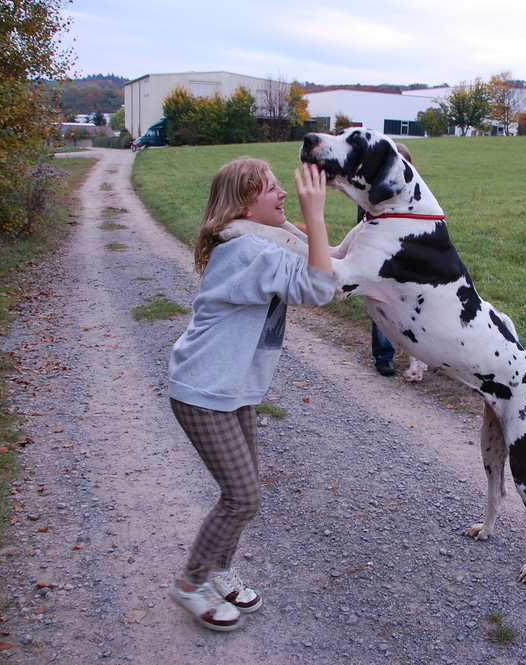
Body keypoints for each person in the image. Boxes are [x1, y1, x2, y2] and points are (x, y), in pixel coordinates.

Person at [166, 158, 334, 631]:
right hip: (203, 390)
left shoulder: (255, 243)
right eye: (272, 189)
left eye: (283, 187)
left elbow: (320, 264)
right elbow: (320, 287)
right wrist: (315, 217)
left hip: (232, 389)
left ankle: (218, 569)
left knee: (243, 490)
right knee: (243, 497)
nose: (282, 195)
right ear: (245, 203)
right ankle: (191, 582)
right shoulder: (245, 253)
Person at [360, 142, 414, 377]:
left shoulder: (415, 192)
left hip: (407, 258)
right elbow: (363, 225)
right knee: (382, 304)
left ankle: (417, 356)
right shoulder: (372, 194)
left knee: (410, 306)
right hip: (379, 258)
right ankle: (384, 356)